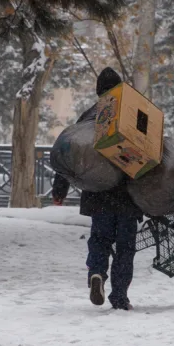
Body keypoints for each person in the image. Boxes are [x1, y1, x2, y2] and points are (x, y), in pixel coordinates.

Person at [51, 67, 142, 311]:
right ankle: (119, 296)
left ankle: (97, 273)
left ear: (98, 91)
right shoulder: (132, 113)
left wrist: (59, 189)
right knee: (125, 246)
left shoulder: (89, 117)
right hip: (128, 193)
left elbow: (71, 152)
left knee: (100, 238)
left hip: (98, 193)